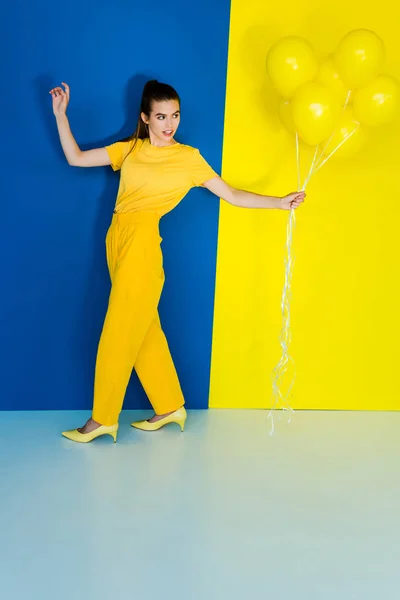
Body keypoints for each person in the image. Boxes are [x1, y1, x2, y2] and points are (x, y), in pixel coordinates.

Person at [49, 79, 305, 443]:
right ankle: (169, 406)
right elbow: (76, 158)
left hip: (142, 244)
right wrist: (61, 116)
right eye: (161, 116)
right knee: (144, 331)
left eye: (175, 115)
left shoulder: (188, 159)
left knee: (119, 333)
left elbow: (230, 194)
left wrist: (279, 202)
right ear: (146, 118)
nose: (170, 124)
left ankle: (102, 418)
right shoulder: (131, 149)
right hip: (116, 238)